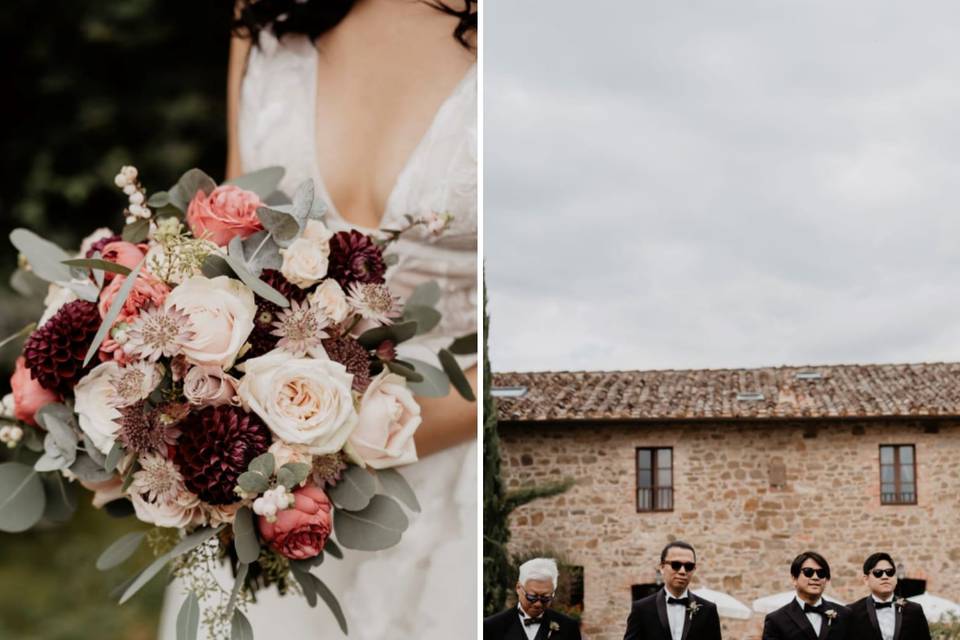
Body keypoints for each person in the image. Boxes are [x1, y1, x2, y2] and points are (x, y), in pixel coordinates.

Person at [158, 1, 477, 637]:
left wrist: (361, 433)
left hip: (461, 454)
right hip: (268, 478)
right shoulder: (266, 8)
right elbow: (228, 236)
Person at [622, 541, 722, 640]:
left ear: (694, 569)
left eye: (688, 566)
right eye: (676, 565)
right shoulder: (641, 609)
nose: (682, 571)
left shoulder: (708, 610)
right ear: (662, 567)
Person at [483, 558, 582, 640]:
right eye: (532, 596)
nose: (538, 604)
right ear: (518, 588)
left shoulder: (569, 627)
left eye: (545, 598)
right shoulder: (492, 626)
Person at [762, 551, 849, 640]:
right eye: (808, 572)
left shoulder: (844, 614)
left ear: (826, 580)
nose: (815, 577)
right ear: (794, 579)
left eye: (821, 573)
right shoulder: (776, 620)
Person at [848, 552, 931, 640]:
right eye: (878, 573)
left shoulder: (914, 610)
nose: (885, 576)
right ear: (866, 579)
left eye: (889, 572)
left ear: (895, 577)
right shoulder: (852, 612)